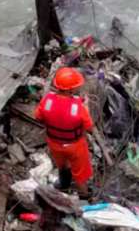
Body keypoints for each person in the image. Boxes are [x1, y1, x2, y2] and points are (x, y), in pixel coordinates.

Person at [34, 67, 94, 199]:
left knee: (62, 165)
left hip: (54, 143)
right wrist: (87, 106)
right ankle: (84, 196)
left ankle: (64, 184)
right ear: (71, 89)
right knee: (80, 174)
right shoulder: (79, 107)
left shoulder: (47, 100)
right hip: (75, 146)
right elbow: (89, 127)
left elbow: (38, 117)